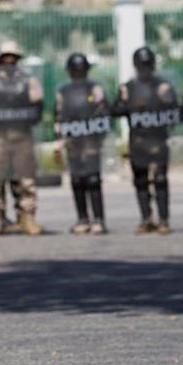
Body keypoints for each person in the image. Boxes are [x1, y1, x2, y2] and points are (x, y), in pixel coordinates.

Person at [113, 46, 179, 235]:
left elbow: (174, 110)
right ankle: (146, 218)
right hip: (138, 141)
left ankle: (164, 220)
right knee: (140, 180)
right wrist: (124, 102)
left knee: (160, 180)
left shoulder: (162, 86)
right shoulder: (129, 87)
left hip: (158, 140)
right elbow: (114, 111)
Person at [0, 41, 46, 236]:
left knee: (26, 180)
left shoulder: (29, 80)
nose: (9, 60)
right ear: (0, 59)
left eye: (13, 56)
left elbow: (38, 104)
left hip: (22, 136)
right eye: (6, 56)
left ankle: (27, 218)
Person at [54, 52, 110, 234]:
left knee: (93, 179)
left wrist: (100, 137)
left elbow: (104, 112)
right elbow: (58, 115)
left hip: (91, 140)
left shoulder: (95, 89)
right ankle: (82, 219)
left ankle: (99, 220)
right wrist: (60, 139)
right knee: (77, 180)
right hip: (73, 142)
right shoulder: (63, 91)